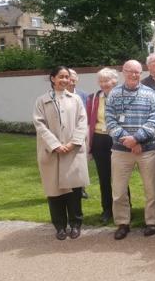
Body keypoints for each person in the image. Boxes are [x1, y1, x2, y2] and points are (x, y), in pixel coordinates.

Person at [106, 60, 155, 240]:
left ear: (141, 72)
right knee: (119, 190)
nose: (133, 74)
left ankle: (152, 222)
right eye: (130, 71)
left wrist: (136, 139)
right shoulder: (113, 94)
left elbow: (154, 121)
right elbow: (110, 122)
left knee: (152, 189)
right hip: (121, 151)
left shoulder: (150, 93)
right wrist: (129, 141)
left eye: (137, 72)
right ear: (123, 71)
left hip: (147, 150)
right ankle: (123, 222)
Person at [33, 66, 89, 240]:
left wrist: (73, 143)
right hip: (52, 153)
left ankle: (75, 224)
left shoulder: (76, 99)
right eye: (61, 77)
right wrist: (56, 145)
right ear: (52, 78)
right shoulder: (41, 101)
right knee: (54, 191)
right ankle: (59, 226)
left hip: (73, 151)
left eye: (67, 77)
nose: (65, 80)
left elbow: (82, 121)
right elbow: (39, 124)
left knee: (74, 191)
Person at [86, 67, 123, 224]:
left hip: (118, 139)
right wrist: (88, 145)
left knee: (121, 177)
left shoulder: (123, 96)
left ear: (115, 81)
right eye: (101, 81)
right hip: (100, 140)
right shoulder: (94, 98)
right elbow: (88, 122)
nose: (104, 84)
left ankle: (123, 209)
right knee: (104, 177)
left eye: (107, 80)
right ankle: (107, 210)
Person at [68, 68, 90, 199]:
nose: (72, 80)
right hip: (67, 133)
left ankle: (81, 189)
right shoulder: (60, 94)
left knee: (82, 162)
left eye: (74, 78)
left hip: (82, 132)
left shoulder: (83, 95)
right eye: (70, 77)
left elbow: (88, 113)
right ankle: (67, 188)